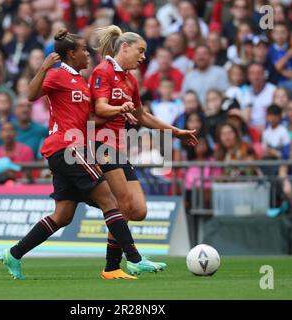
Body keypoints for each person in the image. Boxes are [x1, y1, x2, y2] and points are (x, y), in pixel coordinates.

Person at [0, 29, 164, 281]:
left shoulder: (81, 82)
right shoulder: (56, 75)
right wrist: (44, 67)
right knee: (111, 201)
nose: (88, 54)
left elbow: (90, 117)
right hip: (67, 146)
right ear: (71, 54)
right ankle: (133, 259)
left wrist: (121, 111)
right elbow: (31, 95)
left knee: (63, 215)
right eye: (84, 50)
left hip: (68, 151)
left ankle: (14, 253)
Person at [89, 25, 198, 276]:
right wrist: (120, 109)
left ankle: (102, 208)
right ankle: (121, 263)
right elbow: (99, 109)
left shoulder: (130, 80)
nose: (143, 57)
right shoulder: (102, 71)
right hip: (101, 144)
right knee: (123, 203)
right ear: (124, 47)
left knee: (137, 209)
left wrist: (175, 131)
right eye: (140, 50)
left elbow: (142, 116)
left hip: (119, 148)